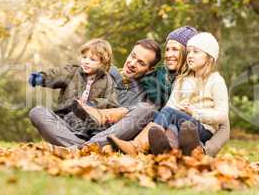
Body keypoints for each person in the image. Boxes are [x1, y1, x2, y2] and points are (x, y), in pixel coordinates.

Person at [109, 32, 230, 157]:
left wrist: (193, 112)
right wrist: (180, 110)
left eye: (196, 52)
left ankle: (136, 146)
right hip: (183, 124)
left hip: (203, 128)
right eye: (189, 52)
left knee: (170, 114)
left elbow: (222, 115)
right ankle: (168, 151)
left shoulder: (216, 81)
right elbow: (171, 105)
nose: (190, 55)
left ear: (209, 58)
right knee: (157, 115)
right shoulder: (183, 79)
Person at [29, 38, 162, 147]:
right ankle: (82, 148)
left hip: (101, 135)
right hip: (68, 126)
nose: (132, 63)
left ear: (149, 69)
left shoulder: (144, 94)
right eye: (133, 56)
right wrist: (42, 78)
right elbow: (63, 74)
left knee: (146, 110)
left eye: (141, 63)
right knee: (37, 112)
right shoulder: (101, 71)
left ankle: (83, 147)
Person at [28, 38, 118, 146]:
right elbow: (57, 74)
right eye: (84, 57)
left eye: (92, 59)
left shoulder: (108, 81)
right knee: (37, 112)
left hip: (89, 125)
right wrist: (41, 78)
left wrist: (91, 105)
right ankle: (78, 145)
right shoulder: (72, 72)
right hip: (65, 121)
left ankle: (74, 144)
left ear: (103, 63)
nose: (86, 61)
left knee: (101, 125)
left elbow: (111, 104)